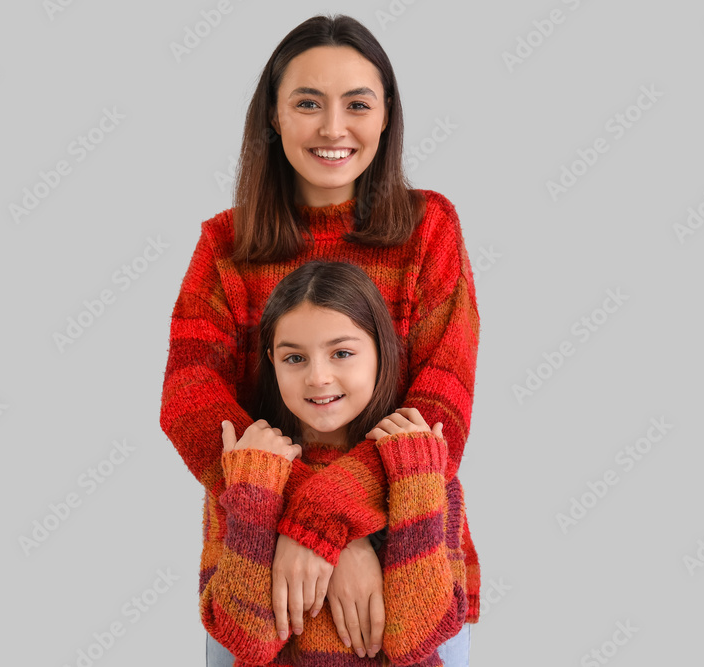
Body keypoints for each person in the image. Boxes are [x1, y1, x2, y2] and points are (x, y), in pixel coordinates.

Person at [159, 12, 481, 664]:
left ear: (386, 114)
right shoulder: (225, 244)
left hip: (409, 563)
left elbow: (441, 407)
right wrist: (307, 526)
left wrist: (332, 524)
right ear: (273, 118)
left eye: (356, 104)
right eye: (308, 103)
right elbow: (190, 400)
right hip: (261, 572)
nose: (333, 128)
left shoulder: (430, 230)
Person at [201, 260, 469, 665]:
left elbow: (418, 637)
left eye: (342, 352)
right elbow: (246, 640)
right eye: (295, 359)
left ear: (382, 350)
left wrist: (415, 476)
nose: (319, 377)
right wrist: (254, 486)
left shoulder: (420, 464)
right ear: (271, 360)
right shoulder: (249, 468)